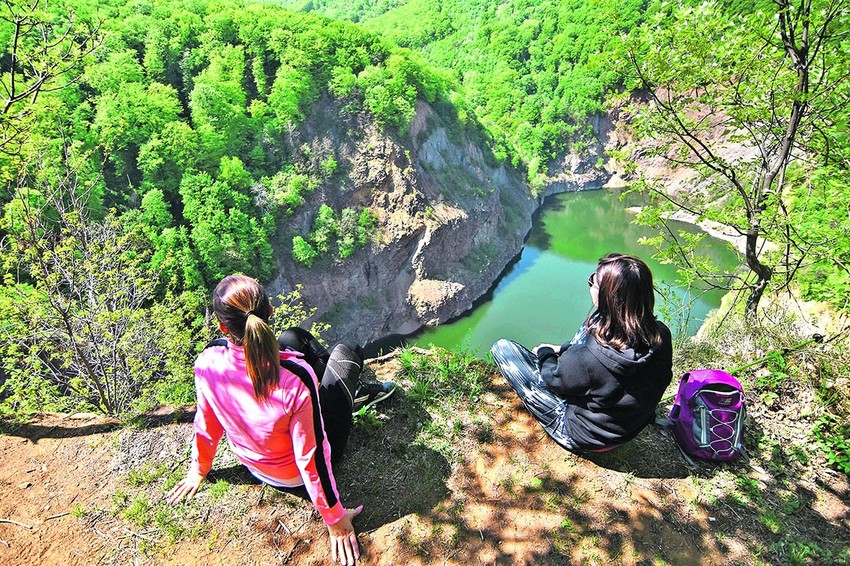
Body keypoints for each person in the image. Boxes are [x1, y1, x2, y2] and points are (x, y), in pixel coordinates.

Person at [167, 274, 396, 565]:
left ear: (223, 327)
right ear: (269, 311)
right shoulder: (295, 376)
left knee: (294, 337)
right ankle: (353, 394)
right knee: (347, 350)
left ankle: (344, 393)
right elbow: (310, 458)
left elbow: (206, 421)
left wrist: (199, 469)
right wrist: (334, 518)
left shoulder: (208, 361)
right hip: (294, 473)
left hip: (257, 466)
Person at [491, 253, 673, 454]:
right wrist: (563, 349)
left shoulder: (587, 359)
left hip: (584, 437)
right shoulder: (661, 335)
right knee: (597, 321)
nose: (591, 283)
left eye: (593, 282)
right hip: (628, 429)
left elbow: (553, 379)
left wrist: (545, 353)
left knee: (503, 348)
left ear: (606, 296)